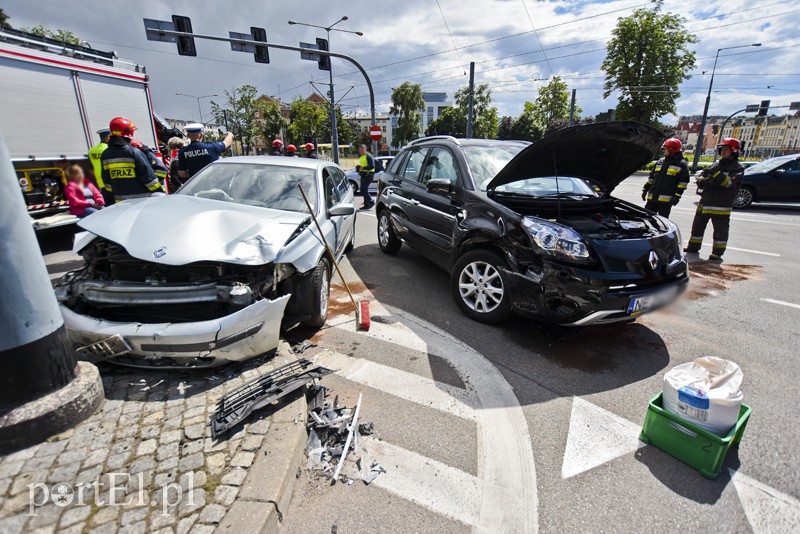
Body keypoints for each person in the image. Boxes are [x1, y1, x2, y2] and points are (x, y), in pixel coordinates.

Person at [685, 138, 745, 263]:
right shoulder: (716, 164)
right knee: (697, 228)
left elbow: (728, 183)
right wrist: (702, 180)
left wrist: (716, 174)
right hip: (705, 202)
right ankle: (693, 247)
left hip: (721, 205)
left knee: (720, 232)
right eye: (722, 149)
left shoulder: (737, 167)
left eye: (726, 150)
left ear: (733, 151)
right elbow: (703, 176)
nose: (723, 152)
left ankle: (717, 253)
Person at [101, 117, 164, 202]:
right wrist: (158, 191)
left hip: (121, 202)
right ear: (128, 132)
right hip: (142, 201)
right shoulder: (134, 152)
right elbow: (148, 177)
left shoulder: (105, 154)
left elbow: (107, 182)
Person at [642, 137, 690, 217]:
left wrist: (677, 196)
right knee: (646, 218)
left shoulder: (681, 164)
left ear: (672, 149)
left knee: (663, 222)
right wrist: (645, 189)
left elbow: (683, 183)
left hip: (666, 201)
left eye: (666, 149)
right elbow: (651, 178)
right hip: (652, 198)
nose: (664, 151)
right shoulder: (660, 162)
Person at [88, 128, 113, 204]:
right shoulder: (109, 149)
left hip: (101, 182)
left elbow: (91, 168)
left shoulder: (91, 151)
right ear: (108, 136)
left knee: (109, 206)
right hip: (111, 181)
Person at [355, 144, 376, 209]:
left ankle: (370, 201)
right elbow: (362, 166)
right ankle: (366, 203)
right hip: (364, 175)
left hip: (368, 175)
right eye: (359, 150)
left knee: (363, 189)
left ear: (365, 149)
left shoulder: (368, 156)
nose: (360, 151)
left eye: (362, 150)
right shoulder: (362, 157)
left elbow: (372, 166)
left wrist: (363, 168)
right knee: (363, 189)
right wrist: (358, 168)